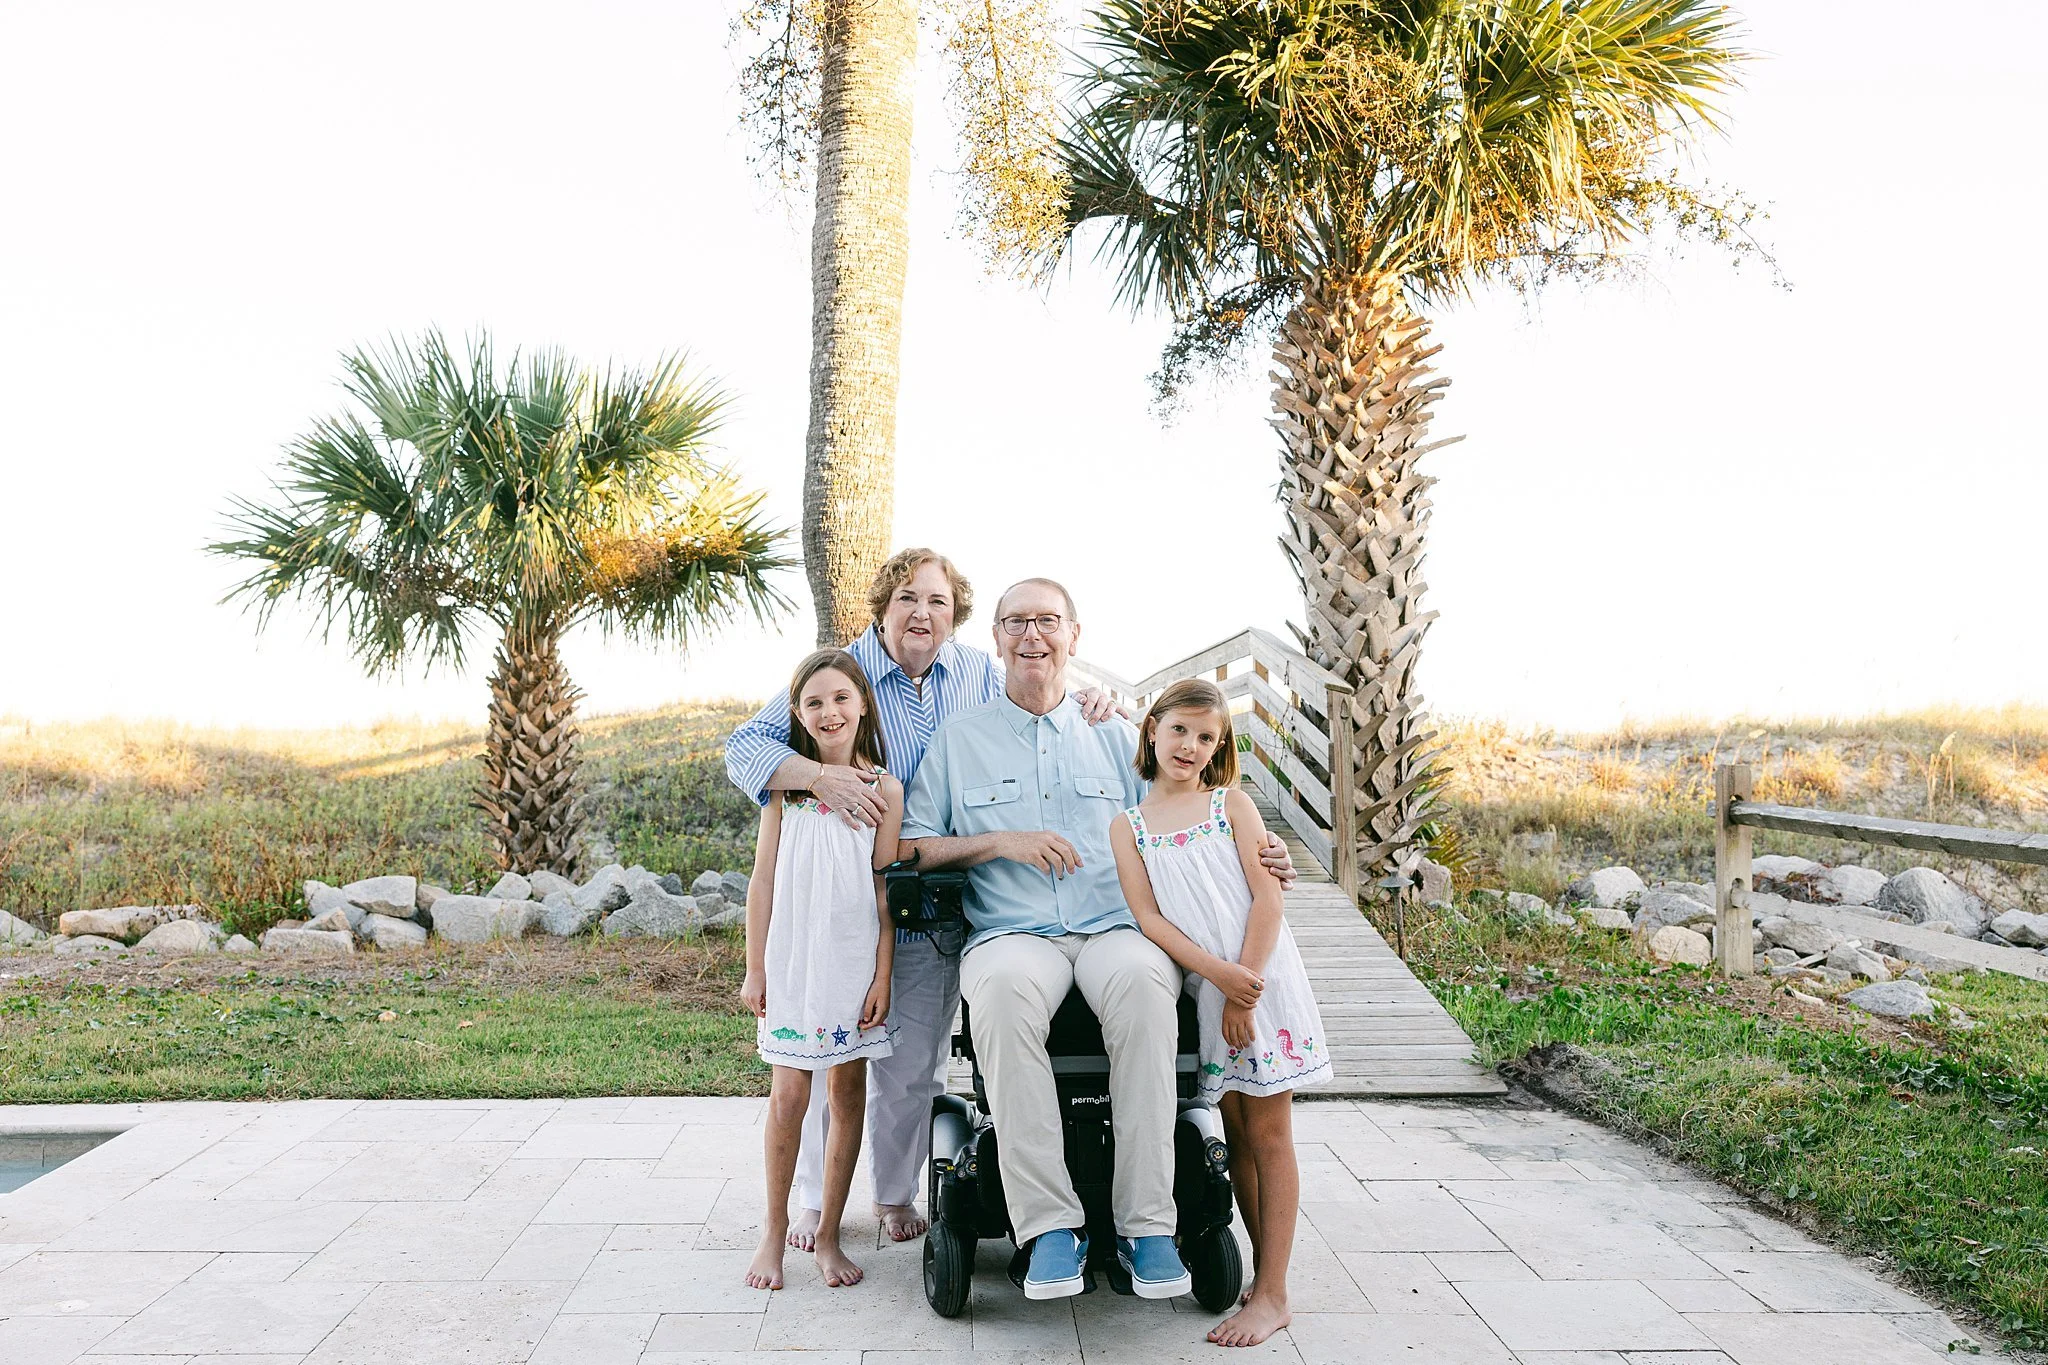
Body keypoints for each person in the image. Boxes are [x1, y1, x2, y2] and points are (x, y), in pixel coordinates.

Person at [903, 579, 1297, 1303]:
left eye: (1047, 621)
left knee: (1150, 990)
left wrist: (1265, 854)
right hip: (1013, 930)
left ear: (1074, 636)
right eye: (1016, 621)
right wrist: (1001, 841)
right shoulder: (960, 740)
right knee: (997, 992)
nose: (1032, 635)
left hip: (1119, 925)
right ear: (994, 638)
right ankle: (1049, 1226)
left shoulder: (1118, 733)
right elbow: (915, 844)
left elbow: (1193, 811)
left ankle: (1146, 1223)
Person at [724, 548, 1121, 1248]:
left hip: (937, 902)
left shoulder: (973, 670)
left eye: (938, 601)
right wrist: (818, 776)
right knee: (824, 1066)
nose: (922, 613)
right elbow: (746, 746)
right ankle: (815, 1202)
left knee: (912, 1067)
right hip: (849, 896)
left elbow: (1042, 689)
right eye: (908, 597)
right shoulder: (842, 672)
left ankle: (892, 1192)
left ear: (956, 615)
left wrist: (1101, 701)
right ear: (882, 606)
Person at [1109, 678, 1331, 1346]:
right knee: (1234, 1127)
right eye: (1179, 729)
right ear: (1152, 728)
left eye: (1207, 737)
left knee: (1269, 1131)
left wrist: (1246, 982)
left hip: (1261, 978)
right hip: (1215, 986)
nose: (1191, 745)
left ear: (1219, 747)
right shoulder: (1130, 826)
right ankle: (1265, 1278)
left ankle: (1274, 1291)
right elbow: (1149, 919)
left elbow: (1268, 901)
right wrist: (1220, 981)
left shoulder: (1229, 804)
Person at [740, 649, 900, 1291]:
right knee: (789, 1096)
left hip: (852, 962)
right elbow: (762, 882)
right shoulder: (786, 789)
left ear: (862, 703)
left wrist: (882, 975)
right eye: (813, 702)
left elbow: (885, 890)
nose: (829, 711)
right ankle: (774, 1233)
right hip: (793, 962)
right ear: (798, 716)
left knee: (846, 1095)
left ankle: (830, 1233)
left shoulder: (882, 789)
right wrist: (756, 969)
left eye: (840, 698)